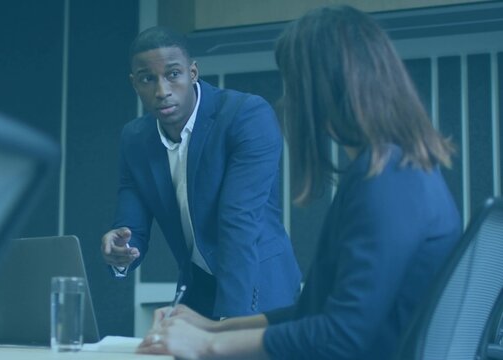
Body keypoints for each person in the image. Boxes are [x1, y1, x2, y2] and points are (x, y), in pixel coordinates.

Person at [137, 5, 462, 360]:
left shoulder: (389, 182)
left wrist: (208, 346)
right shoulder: (395, 169)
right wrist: (212, 326)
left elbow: (341, 335)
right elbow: (315, 312)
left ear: (326, 88)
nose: (287, 100)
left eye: (293, 84)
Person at [100, 26, 301, 319]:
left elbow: (238, 221)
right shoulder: (135, 139)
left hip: (260, 288)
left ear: (192, 72)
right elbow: (132, 227)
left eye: (173, 74)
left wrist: (229, 328)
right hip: (198, 292)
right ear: (135, 83)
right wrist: (120, 250)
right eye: (148, 79)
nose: (162, 91)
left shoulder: (246, 115)